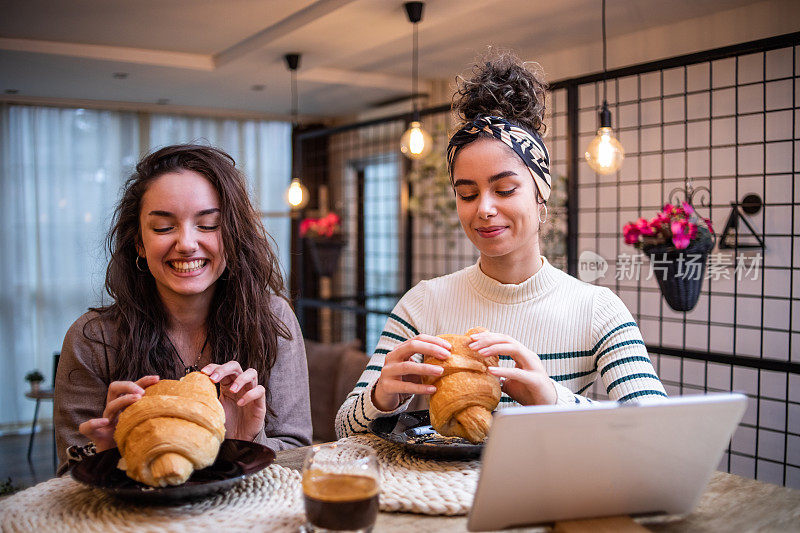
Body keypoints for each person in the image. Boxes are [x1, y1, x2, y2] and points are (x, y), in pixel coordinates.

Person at [336, 52, 666, 437]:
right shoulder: (425, 303)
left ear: (541, 190)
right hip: (444, 496)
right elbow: (344, 428)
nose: (485, 209)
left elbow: (657, 433)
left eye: (505, 189)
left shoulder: (596, 310)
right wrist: (380, 397)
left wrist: (551, 399)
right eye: (467, 194)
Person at [54, 144, 312, 474]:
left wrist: (239, 441)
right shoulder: (92, 340)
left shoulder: (273, 320)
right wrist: (110, 453)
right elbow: (69, 472)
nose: (187, 243)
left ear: (232, 236)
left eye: (208, 225)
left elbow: (297, 451)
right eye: (163, 227)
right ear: (139, 243)